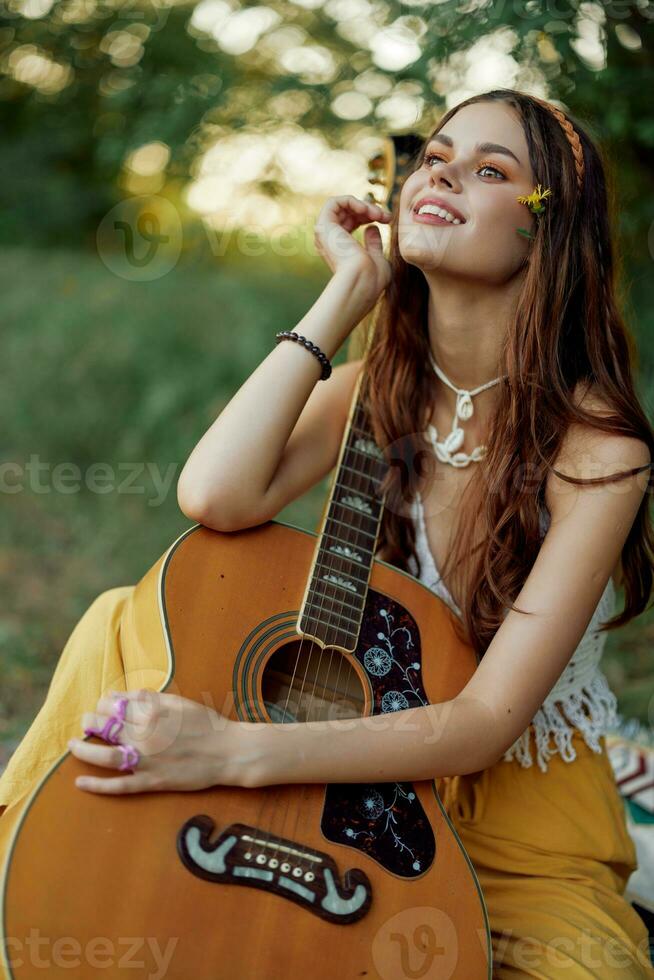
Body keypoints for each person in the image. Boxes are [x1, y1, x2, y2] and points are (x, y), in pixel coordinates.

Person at [1, 88, 653, 978]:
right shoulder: (377, 385)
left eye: (490, 170)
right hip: (350, 754)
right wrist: (344, 296)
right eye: (435, 158)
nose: (442, 175)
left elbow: (482, 723)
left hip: (520, 811)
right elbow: (215, 497)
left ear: (546, 229)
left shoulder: (599, 449)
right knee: (122, 616)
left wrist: (229, 753)